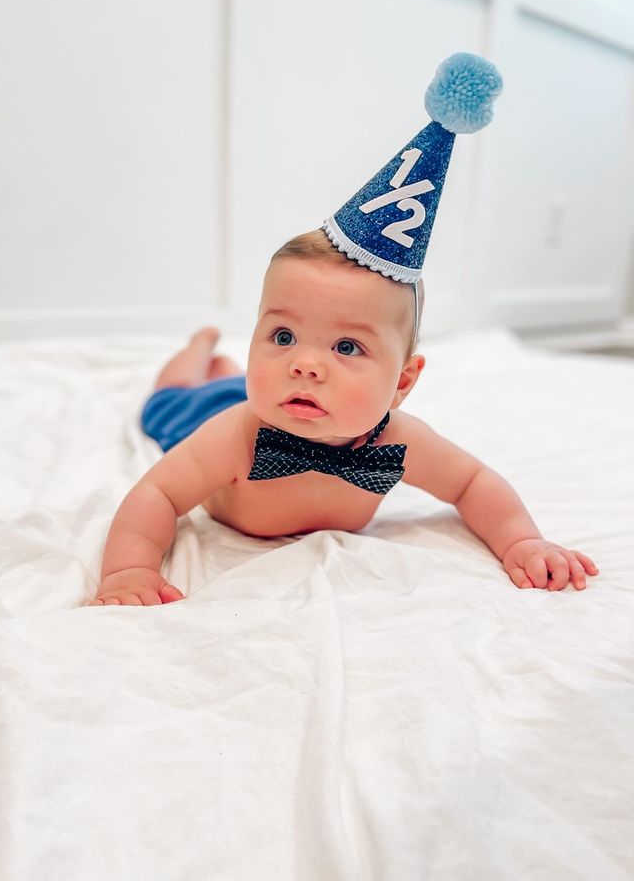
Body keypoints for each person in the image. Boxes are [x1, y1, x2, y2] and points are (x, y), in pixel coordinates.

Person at [88, 54, 598, 606]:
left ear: (403, 381)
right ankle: (199, 347)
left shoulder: (401, 442)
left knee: (240, 381)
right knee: (171, 398)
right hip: (215, 409)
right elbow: (158, 494)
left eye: (348, 346)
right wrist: (128, 572)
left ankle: (227, 368)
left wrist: (521, 540)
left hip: (274, 398)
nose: (305, 362)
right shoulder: (232, 437)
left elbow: (473, 484)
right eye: (282, 337)